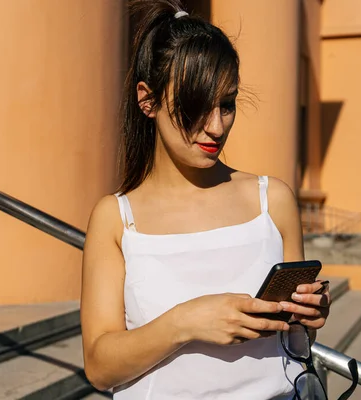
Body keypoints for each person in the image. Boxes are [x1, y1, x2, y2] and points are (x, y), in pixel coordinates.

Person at [80, 1, 331, 398]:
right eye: (196, 105)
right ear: (148, 100)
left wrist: (308, 314)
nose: (216, 126)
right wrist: (186, 321)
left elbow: (294, 348)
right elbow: (98, 366)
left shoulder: (273, 200)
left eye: (227, 104)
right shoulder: (115, 217)